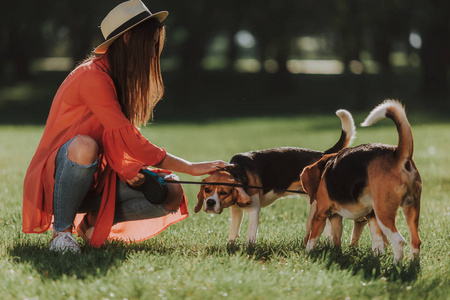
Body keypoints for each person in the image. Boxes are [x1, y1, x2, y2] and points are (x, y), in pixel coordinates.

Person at [22, 0, 229, 253]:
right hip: (56, 179)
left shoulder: (118, 79)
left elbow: (119, 141)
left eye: (156, 45)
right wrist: (190, 167)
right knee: (84, 146)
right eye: (150, 44)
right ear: (129, 38)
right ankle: (61, 234)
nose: (154, 53)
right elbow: (128, 138)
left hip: (97, 176)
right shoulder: (91, 77)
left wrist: (128, 168)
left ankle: (91, 225)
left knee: (172, 189)